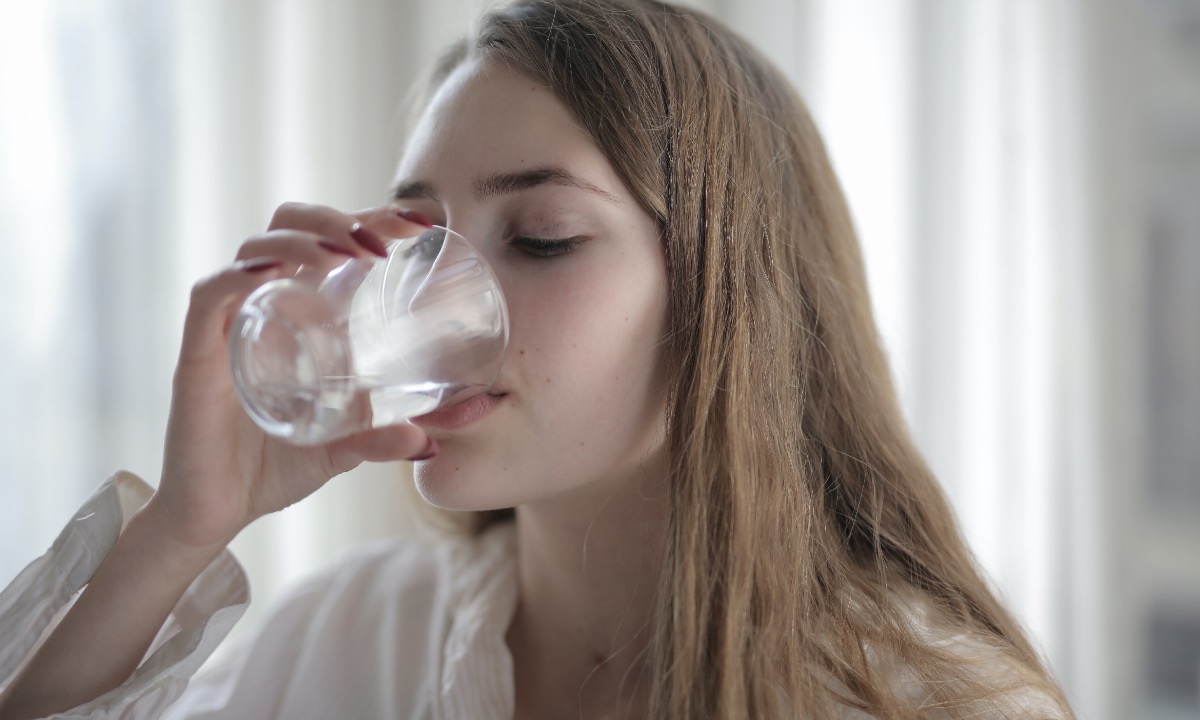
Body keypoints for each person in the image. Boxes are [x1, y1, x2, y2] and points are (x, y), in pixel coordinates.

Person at [0, 0, 1075, 717]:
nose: (434, 306)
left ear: (727, 297)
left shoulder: (933, 704)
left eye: (543, 237)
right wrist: (182, 530)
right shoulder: (351, 638)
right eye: (421, 244)